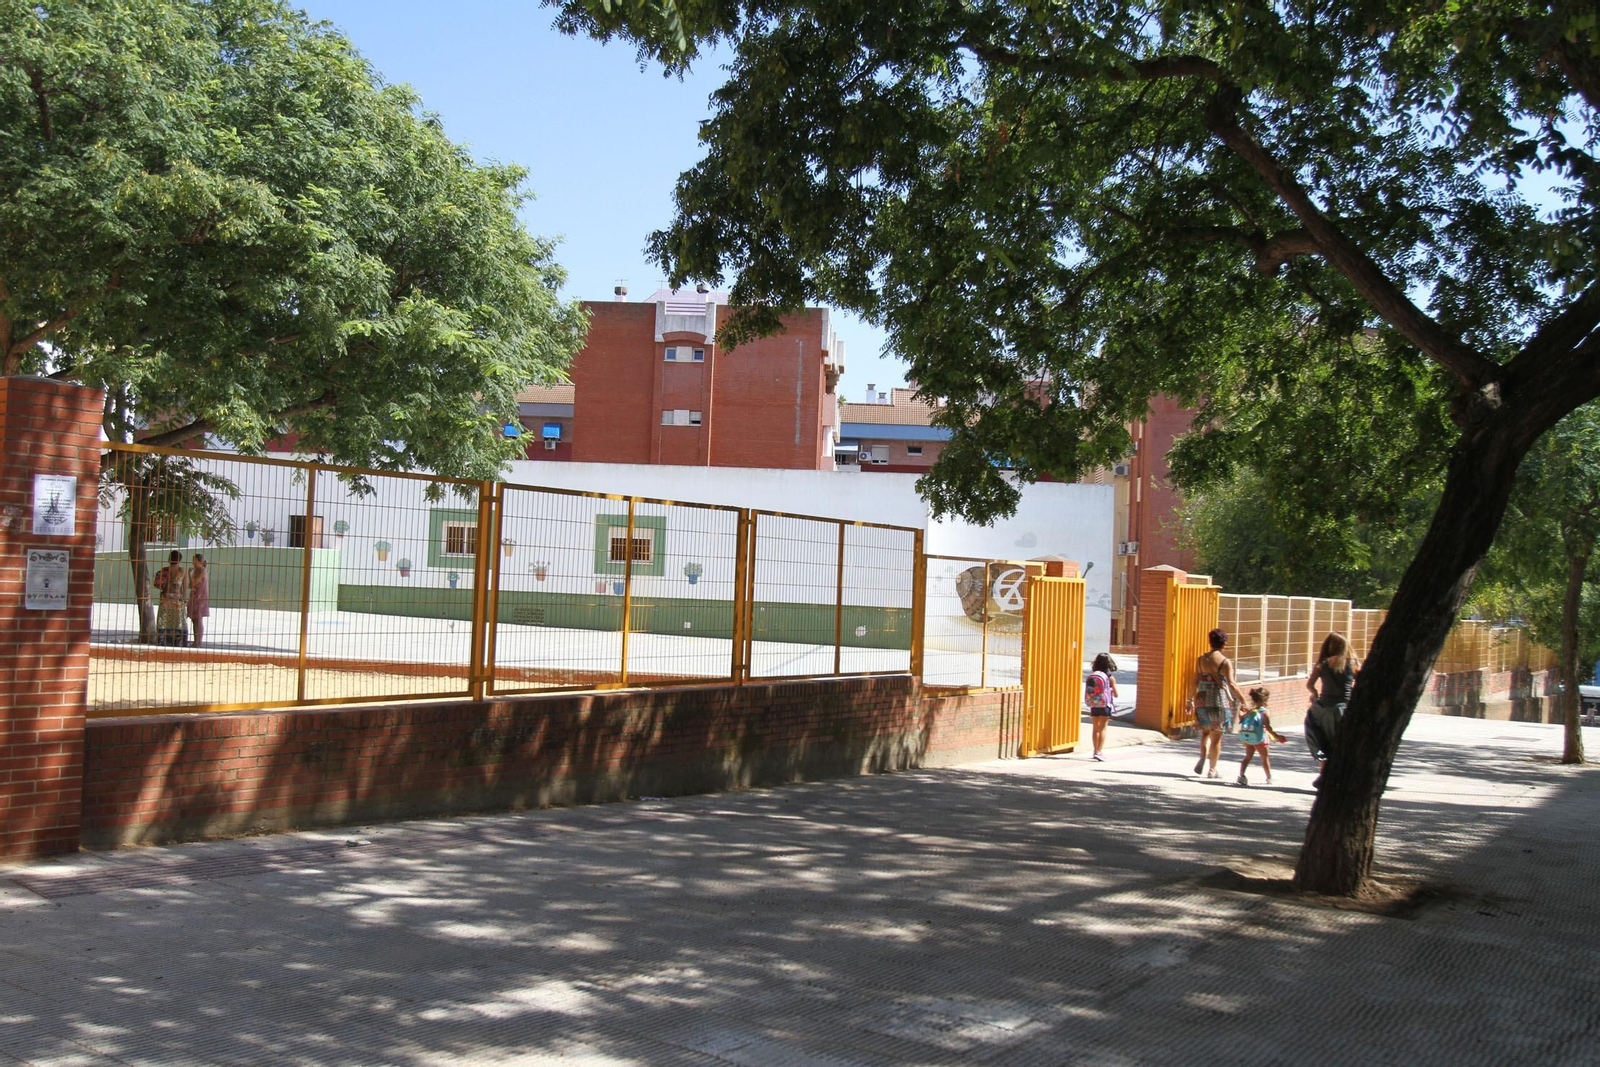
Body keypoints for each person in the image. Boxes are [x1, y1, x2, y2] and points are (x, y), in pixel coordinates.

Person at [1187, 628, 1247, 778]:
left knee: (1205, 732)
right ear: (1224, 643)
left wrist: (1189, 700)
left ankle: (1202, 756)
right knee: (1216, 736)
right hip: (1218, 699)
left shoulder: (1200, 660)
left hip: (1202, 698)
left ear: (1210, 641)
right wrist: (1243, 700)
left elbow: (1194, 681)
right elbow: (1232, 684)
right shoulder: (1226, 662)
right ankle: (1213, 769)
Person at [1305, 631, 1358, 780]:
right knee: (1342, 742)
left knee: (1318, 737)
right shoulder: (1352, 663)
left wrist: (1315, 694)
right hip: (1344, 707)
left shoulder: (1322, 665)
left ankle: (1323, 772)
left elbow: (1310, 685)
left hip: (1323, 707)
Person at [1236, 687, 1287, 786]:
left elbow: (1241, 719)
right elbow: (1268, 728)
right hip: (1260, 739)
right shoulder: (1265, 712)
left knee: (1247, 757)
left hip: (1249, 739)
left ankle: (1241, 775)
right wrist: (1277, 736)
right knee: (1264, 758)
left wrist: (1241, 711)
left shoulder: (1251, 711)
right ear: (1265, 699)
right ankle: (1269, 777)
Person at [1084, 652, 1119, 761]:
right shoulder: (1110, 678)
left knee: (1095, 728)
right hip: (1105, 705)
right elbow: (1116, 695)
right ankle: (1100, 751)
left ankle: (1095, 750)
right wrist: (1111, 690)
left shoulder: (1093, 676)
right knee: (1103, 728)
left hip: (1094, 704)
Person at [152, 550, 189, 646]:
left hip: (165, 599)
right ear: (179, 560)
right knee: (179, 621)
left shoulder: (164, 570)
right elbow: (184, 588)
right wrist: (185, 600)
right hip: (177, 600)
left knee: (163, 620)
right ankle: (179, 642)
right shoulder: (182, 571)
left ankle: (162, 641)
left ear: (169, 559)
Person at [188, 553, 210, 647]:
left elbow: (194, 583)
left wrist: (189, 574)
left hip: (199, 598)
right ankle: (195, 641)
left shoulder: (201, 570)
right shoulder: (197, 571)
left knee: (198, 619)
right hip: (194, 596)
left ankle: (198, 641)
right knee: (194, 619)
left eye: (194, 560)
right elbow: (190, 585)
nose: (193, 562)